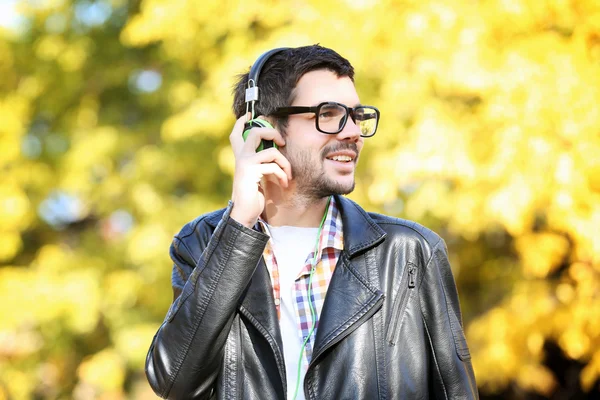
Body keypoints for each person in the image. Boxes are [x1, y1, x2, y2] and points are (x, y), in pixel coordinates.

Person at [145, 45, 478, 400]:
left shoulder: (410, 253)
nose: (352, 132)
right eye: (329, 114)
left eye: (356, 116)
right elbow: (175, 382)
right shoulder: (202, 243)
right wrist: (240, 224)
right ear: (265, 128)